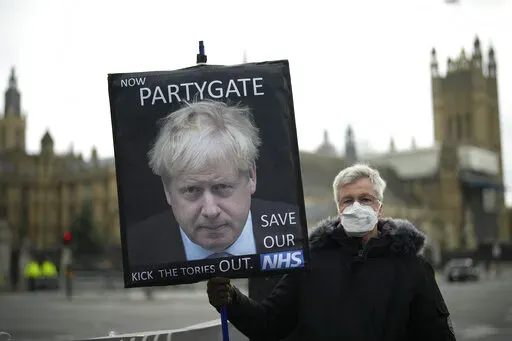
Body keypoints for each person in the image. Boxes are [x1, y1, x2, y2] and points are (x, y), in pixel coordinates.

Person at [207, 163, 456, 341]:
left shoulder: (411, 266)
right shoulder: (311, 262)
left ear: (379, 208)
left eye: (366, 199)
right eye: (348, 200)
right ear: (338, 208)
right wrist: (232, 300)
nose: (356, 206)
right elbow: (269, 324)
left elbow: (437, 334)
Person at [127, 100, 301, 265]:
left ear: (251, 176)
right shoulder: (136, 249)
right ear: (167, 190)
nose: (210, 211)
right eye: (192, 190)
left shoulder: (297, 233)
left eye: (222, 187)